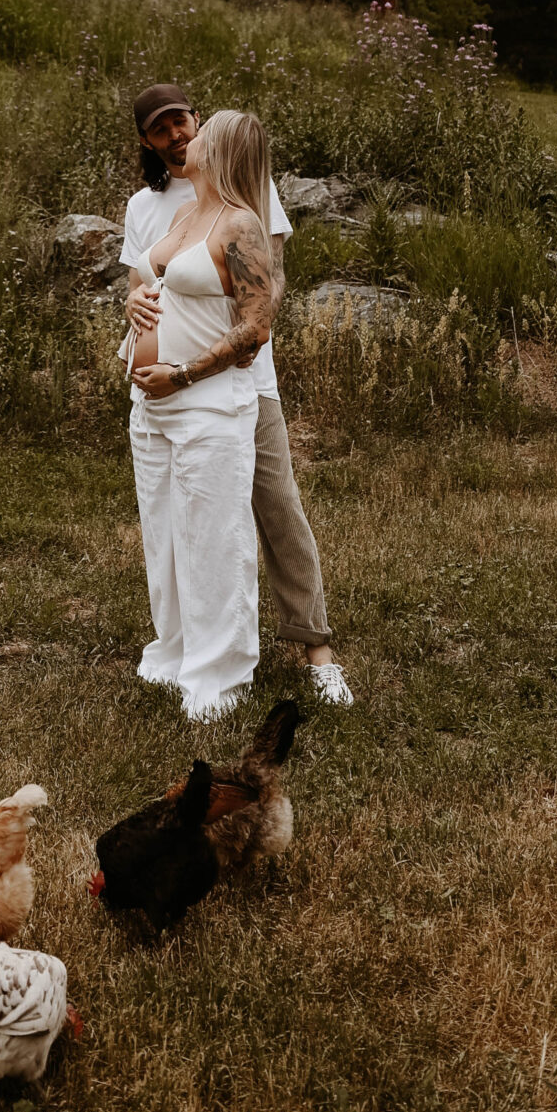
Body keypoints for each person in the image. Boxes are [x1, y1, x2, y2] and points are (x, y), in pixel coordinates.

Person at [123, 82, 353, 707]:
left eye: (185, 121)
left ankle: (318, 651)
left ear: (199, 124)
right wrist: (137, 307)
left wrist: (202, 366)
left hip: (239, 382)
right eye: (162, 127)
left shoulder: (242, 198)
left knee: (276, 508)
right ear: (146, 140)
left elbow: (263, 293)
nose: (178, 134)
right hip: (162, 399)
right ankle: (189, 645)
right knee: (181, 522)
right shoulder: (151, 208)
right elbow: (147, 281)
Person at [122, 108, 275, 720]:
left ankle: (221, 675)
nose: (190, 137)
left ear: (224, 151)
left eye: (202, 131)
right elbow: (150, 279)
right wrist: (136, 299)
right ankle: (175, 652)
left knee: (216, 539)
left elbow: (257, 328)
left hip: (207, 404)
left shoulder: (242, 226)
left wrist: (182, 374)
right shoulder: (186, 213)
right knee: (165, 535)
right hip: (151, 405)